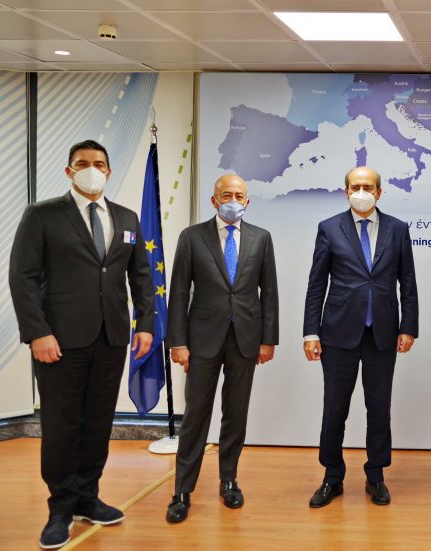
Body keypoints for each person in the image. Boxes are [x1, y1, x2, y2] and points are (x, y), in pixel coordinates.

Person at [8, 140, 154, 549]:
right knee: (61, 425)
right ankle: (60, 508)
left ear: (108, 170)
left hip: (111, 337)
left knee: (97, 423)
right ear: (69, 170)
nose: (92, 169)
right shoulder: (43, 215)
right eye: (83, 163)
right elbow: (22, 277)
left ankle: (88, 497)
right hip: (59, 340)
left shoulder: (126, 217)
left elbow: (141, 276)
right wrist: (37, 332)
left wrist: (145, 324)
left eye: (99, 163)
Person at [164, 174, 279, 523]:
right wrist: (178, 342)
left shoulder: (261, 238)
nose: (233, 200)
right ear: (214, 200)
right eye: (226, 195)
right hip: (202, 340)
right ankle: (182, 491)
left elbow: (269, 292)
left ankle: (229, 480)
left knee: (235, 413)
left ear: (247, 201)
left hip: (245, 338)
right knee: (196, 415)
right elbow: (179, 291)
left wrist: (268, 339)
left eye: (239, 195)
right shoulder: (191, 237)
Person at [303, 166, 418, 508]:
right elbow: (316, 284)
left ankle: (376, 476)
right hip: (338, 333)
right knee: (334, 408)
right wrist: (310, 331)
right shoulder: (329, 228)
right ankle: (332, 477)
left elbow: (408, 283)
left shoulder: (398, 229)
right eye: (355, 186)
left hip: (383, 333)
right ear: (346, 191)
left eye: (368, 186)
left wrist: (408, 327)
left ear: (379, 192)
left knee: (379, 407)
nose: (361, 192)